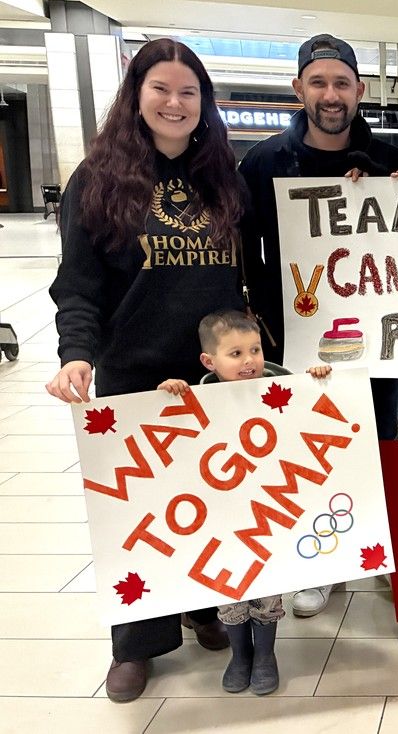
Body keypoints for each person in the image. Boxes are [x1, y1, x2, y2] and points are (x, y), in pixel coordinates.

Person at [46, 38, 255, 702]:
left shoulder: (225, 178)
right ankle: (137, 644)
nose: (175, 102)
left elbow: (249, 274)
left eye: (189, 92)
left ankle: (204, 608)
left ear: (205, 103)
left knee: (214, 505)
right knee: (139, 516)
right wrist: (76, 352)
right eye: (161, 89)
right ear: (136, 96)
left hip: (213, 377)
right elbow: (78, 283)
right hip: (134, 374)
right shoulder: (98, 180)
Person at [239, 33, 398, 619]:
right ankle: (322, 562)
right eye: (318, 82)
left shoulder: (396, 159)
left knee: (379, 442)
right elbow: (247, 250)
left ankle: (378, 552)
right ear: (298, 90)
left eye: (341, 82)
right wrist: (261, 322)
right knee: (311, 448)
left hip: (379, 339)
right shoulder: (264, 163)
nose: (331, 94)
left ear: (359, 90)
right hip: (297, 337)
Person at [157, 310, 332, 695]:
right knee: (228, 590)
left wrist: (316, 379)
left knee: (267, 586)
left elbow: (311, 417)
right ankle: (241, 655)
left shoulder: (284, 389)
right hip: (219, 518)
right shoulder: (197, 396)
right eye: (235, 354)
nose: (249, 359)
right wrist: (171, 390)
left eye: (254, 349)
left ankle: (266, 655)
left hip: (269, 511)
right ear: (209, 361)